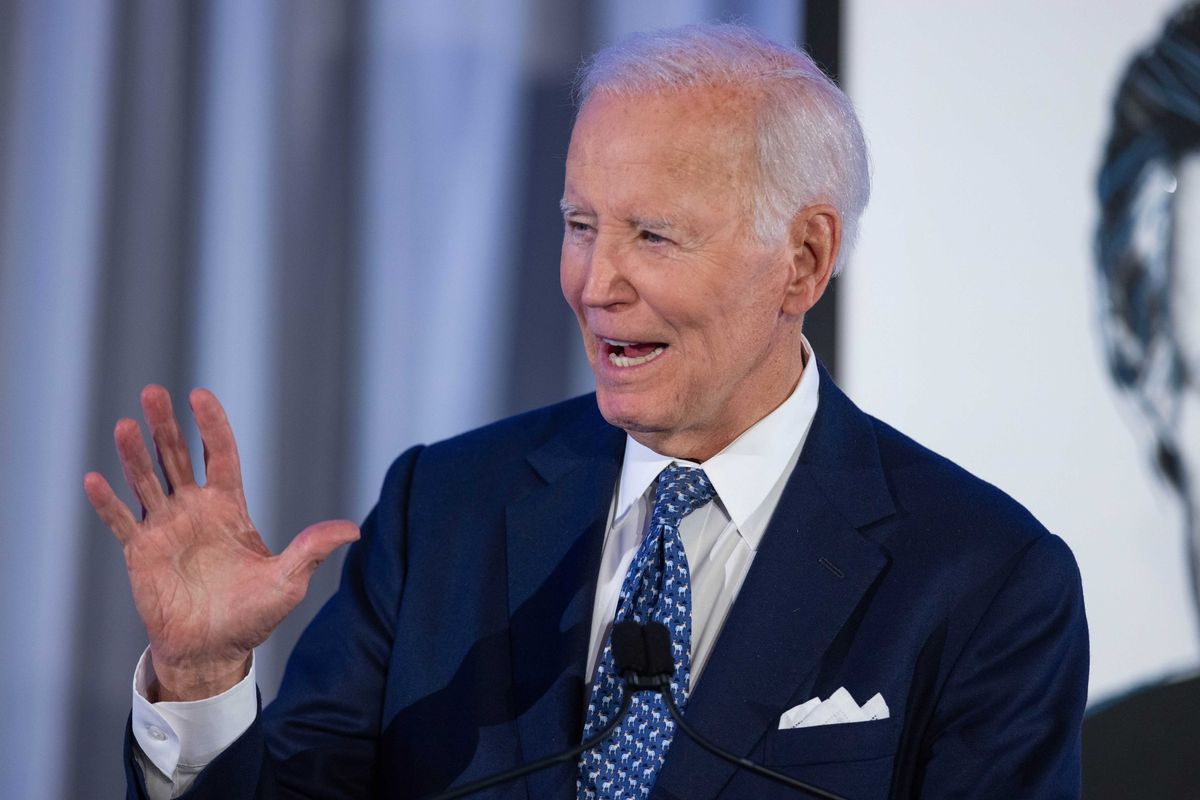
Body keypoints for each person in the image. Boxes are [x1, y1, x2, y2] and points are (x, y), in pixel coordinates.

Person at [86, 23, 1089, 800]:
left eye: (653, 234)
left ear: (805, 258)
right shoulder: (446, 507)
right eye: (579, 225)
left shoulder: (985, 577)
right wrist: (205, 670)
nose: (594, 281)